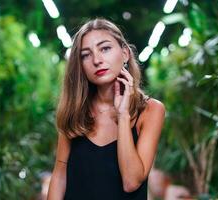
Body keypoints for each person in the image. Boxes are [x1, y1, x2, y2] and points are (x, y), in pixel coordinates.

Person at [47, 18, 165, 200]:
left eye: (105, 48)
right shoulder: (75, 110)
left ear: (125, 54)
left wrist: (123, 115)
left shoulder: (151, 110)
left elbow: (131, 182)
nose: (97, 60)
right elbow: (60, 175)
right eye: (86, 54)